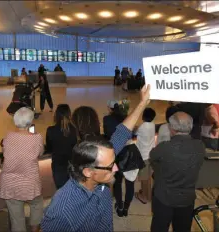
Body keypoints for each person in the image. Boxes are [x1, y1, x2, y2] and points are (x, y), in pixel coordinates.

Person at [41, 85, 151, 232]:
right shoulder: (61, 210)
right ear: (88, 172)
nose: (116, 168)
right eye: (110, 166)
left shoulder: (100, 164)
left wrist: (142, 103)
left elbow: (122, 133)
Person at [150, 112, 205, 232]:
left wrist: (160, 170)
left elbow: (152, 157)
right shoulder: (200, 146)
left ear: (172, 128)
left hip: (164, 197)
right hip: (187, 199)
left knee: (159, 227)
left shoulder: (165, 147)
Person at [0, 107, 44, 232]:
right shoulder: (37, 137)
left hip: (10, 183)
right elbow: (40, 153)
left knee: (16, 218)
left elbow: (5, 152)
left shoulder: (8, 137)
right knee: (36, 206)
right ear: (30, 122)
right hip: (30, 183)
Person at [46, 104, 77, 189]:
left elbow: (49, 149)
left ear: (56, 115)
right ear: (69, 115)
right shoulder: (74, 129)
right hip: (72, 164)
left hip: (58, 165)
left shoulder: (50, 130)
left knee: (61, 190)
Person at [135, 108, 156, 204]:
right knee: (148, 177)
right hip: (151, 155)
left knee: (143, 178)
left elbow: (135, 133)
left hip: (143, 156)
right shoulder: (152, 125)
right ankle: (148, 194)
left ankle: (144, 197)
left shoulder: (142, 126)